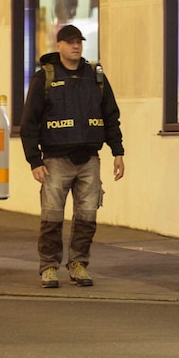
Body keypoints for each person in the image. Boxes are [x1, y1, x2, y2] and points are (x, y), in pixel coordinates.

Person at [20, 24, 125, 289]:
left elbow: (111, 115)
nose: (75, 46)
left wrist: (118, 152)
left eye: (78, 41)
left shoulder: (95, 76)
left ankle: (78, 264)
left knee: (87, 216)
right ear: (59, 46)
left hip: (90, 158)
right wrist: (34, 161)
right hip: (55, 161)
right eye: (69, 42)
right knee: (52, 217)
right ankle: (49, 267)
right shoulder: (44, 77)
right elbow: (29, 123)